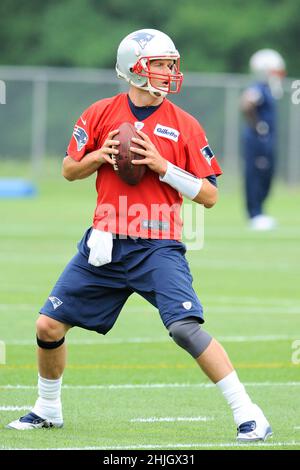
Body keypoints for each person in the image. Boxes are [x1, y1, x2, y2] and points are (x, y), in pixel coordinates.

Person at [7, 29, 272, 441]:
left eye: (171, 65)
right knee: (47, 326)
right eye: (161, 64)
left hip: (157, 245)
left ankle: (248, 412)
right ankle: (47, 407)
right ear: (133, 67)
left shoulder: (184, 124)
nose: (169, 73)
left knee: (185, 328)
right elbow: (68, 169)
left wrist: (161, 166)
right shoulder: (100, 113)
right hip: (104, 242)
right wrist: (101, 155)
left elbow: (210, 196)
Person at [240, 48, 286, 231]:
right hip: (257, 140)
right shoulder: (257, 88)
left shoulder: (268, 90)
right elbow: (246, 104)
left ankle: (260, 211)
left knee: (267, 175)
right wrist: (258, 125)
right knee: (255, 175)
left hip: (266, 140)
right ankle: (255, 214)